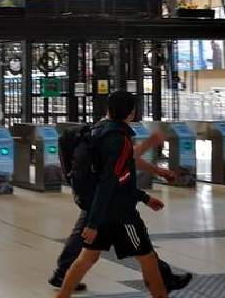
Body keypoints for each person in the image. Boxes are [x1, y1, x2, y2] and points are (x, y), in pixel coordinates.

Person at [50, 126, 191, 291]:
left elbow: (127, 160)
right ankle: (163, 278)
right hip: (104, 197)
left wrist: (155, 174)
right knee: (137, 245)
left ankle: (63, 273)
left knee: (87, 245)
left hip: (97, 194)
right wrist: (150, 143)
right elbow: (126, 160)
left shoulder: (103, 129)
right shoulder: (112, 131)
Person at [57, 91, 167, 298]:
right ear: (132, 113)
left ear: (108, 109)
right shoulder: (119, 140)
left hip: (101, 210)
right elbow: (110, 182)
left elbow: (111, 180)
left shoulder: (97, 130)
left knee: (87, 258)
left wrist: (144, 198)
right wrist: (92, 224)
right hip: (120, 215)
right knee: (148, 258)